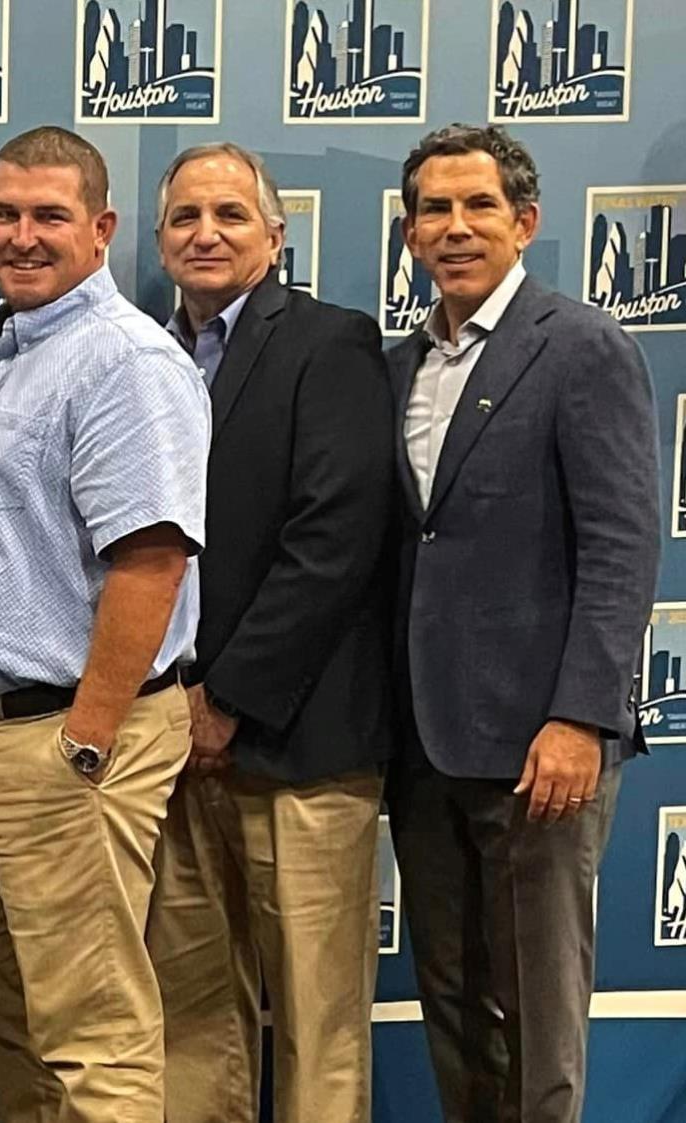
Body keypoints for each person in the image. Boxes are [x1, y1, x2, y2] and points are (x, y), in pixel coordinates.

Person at [0, 125, 210, 1123]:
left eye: (49, 215)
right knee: (14, 1015)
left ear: (101, 229)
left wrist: (86, 735)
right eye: (4, 213)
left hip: (69, 737)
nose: (22, 235)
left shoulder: (123, 361)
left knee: (92, 1036)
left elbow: (152, 559)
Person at [385, 124, 659, 1123]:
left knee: (543, 1010)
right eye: (434, 210)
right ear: (410, 233)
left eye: (478, 206)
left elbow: (625, 547)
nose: (455, 227)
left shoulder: (581, 346)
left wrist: (582, 717)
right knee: (452, 1001)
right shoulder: (396, 365)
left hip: (543, 747)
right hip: (424, 750)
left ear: (525, 222)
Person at [143, 142, 397, 1123]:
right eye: (185, 217)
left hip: (299, 745)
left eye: (231, 215)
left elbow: (332, 538)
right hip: (166, 742)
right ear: (159, 240)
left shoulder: (328, 342)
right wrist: (175, 706)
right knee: (189, 1015)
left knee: (315, 1022)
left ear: (276, 236)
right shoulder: (144, 356)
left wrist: (230, 697)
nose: (206, 232)